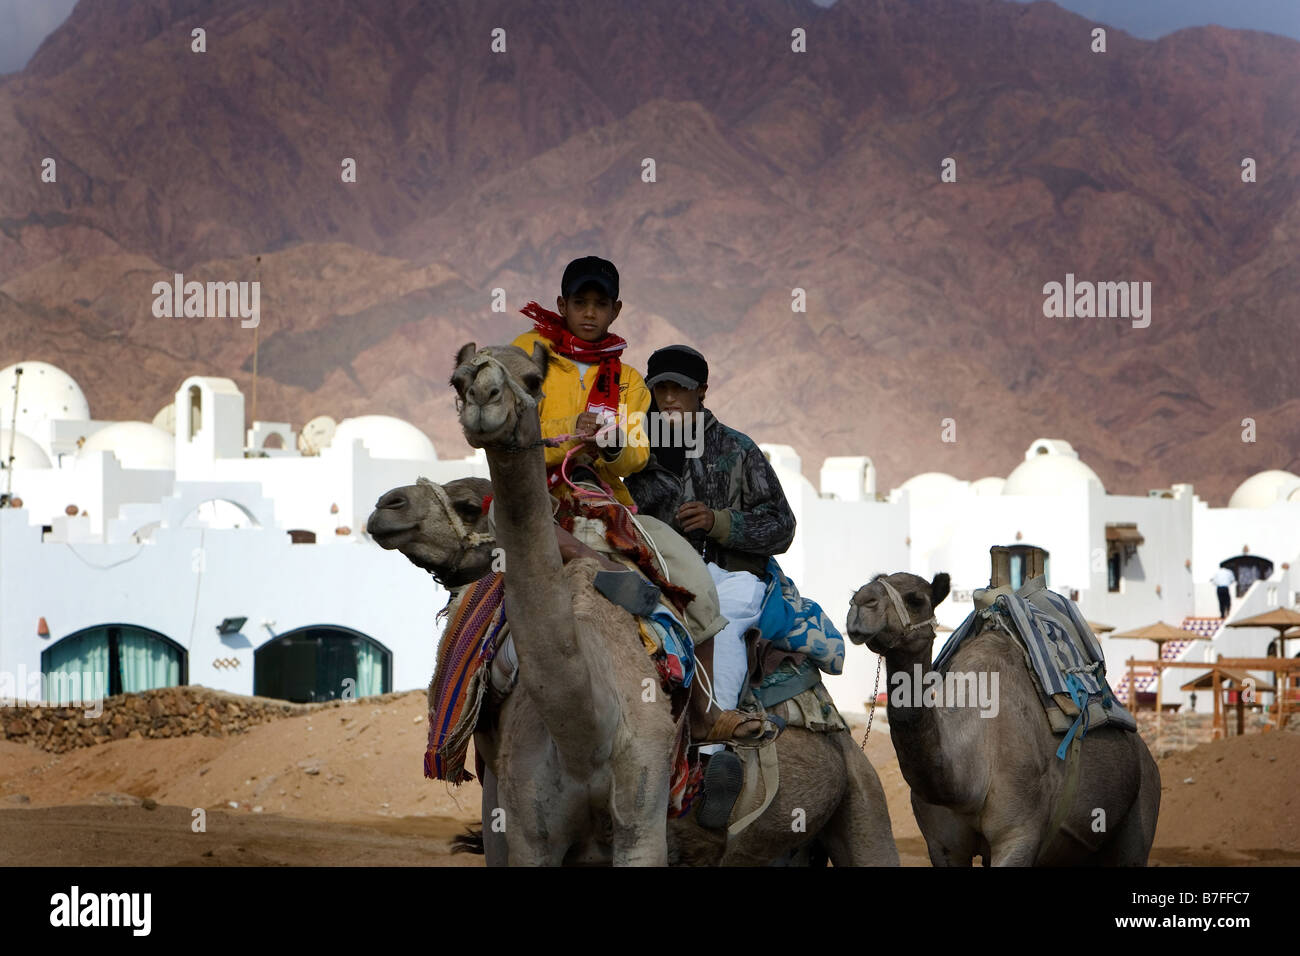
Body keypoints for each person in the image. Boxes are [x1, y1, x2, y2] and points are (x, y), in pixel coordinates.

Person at [625, 344, 799, 828]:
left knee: (718, 629)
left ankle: (711, 758)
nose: (670, 398)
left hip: (728, 576)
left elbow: (782, 527)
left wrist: (721, 522)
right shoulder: (633, 452)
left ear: (702, 391)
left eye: (680, 388)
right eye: (661, 388)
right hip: (654, 578)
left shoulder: (738, 450)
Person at [510, 256, 650, 507]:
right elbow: (510, 438)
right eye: (579, 302)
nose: (589, 313)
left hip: (602, 499)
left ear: (615, 310)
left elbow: (638, 454)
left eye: (600, 304)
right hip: (528, 499)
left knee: (673, 548)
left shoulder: (629, 380)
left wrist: (615, 444)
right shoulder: (527, 357)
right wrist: (571, 430)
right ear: (562, 305)